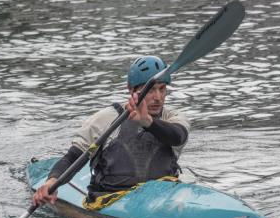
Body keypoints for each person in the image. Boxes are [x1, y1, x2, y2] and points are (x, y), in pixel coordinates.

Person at [32, 55, 190, 207]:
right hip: (111, 200)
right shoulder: (105, 119)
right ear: (131, 90)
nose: (158, 97)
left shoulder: (172, 117)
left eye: (162, 89)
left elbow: (178, 137)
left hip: (163, 197)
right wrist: (52, 182)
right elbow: (73, 157)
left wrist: (147, 121)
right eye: (150, 90)